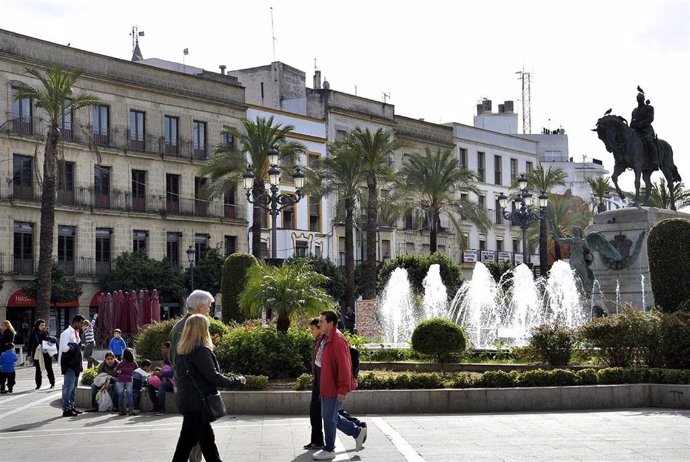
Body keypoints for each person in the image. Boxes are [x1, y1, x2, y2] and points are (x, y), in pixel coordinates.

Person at [171, 314, 246, 462]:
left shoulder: (182, 351)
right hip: (199, 403)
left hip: (190, 402)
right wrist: (236, 381)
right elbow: (213, 376)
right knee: (185, 446)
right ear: (201, 329)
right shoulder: (200, 350)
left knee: (207, 442)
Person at [312, 310, 366, 460]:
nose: (319, 324)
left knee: (328, 418)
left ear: (331, 323)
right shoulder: (324, 338)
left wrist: (343, 389)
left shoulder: (338, 340)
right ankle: (356, 431)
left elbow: (344, 367)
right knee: (330, 416)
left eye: (322, 321)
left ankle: (329, 449)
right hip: (324, 384)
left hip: (332, 386)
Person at [170, 290, 214, 462]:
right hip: (194, 390)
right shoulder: (190, 327)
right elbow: (182, 361)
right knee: (193, 435)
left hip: (191, 388)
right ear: (200, 307)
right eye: (209, 307)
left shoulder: (182, 325)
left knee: (202, 436)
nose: (210, 310)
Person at [304, 318, 325, 450]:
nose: (311, 332)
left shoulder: (323, 342)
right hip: (317, 381)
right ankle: (316, 440)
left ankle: (356, 428)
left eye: (313, 329)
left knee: (326, 413)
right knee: (315, 412)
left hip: (322, 382)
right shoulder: (317, 342)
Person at [59, 314, 85, 417]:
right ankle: (66, 409)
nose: (82, 325)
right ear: (75, 322)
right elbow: (64, 348)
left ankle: (72, 406)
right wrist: (73, 346)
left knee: (74, 387)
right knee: (68, 387)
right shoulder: (66, 333)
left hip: (76, 363)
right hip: (68, 363)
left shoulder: (76, 333)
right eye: (81, 323)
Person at [630, 87, 659, 168]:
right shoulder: (634, 111)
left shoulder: (649, 108)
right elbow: (632, 121)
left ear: (643, 99)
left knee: (649, 140)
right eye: (638, 98)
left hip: (647, 130)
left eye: (640, 98)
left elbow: (650, 118)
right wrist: (632, 125)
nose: (639, 100)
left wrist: (641, 124)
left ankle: (654, 160)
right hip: (636, 131)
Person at [26, 319, 56, 390]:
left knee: (49, 368)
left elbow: (49, 343)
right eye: (41, 325)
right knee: (38, 369)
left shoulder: (46, 332)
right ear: (37, 325)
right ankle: (38, 385)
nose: (43, 326)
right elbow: (30, 344)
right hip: (37, 353)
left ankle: (52, 383)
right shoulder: (33, 333)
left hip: (46, 353)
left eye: (44, 325)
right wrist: (29, 355)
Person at [115, 348, 138, 415]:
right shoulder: (134, 363)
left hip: (121, 379)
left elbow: (116, 370)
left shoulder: (121, 363)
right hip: (129, 380)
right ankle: (131, 411)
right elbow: (137, 369)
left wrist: (118, 372)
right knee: (130, 395)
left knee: (121, 396)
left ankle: (121, 411)